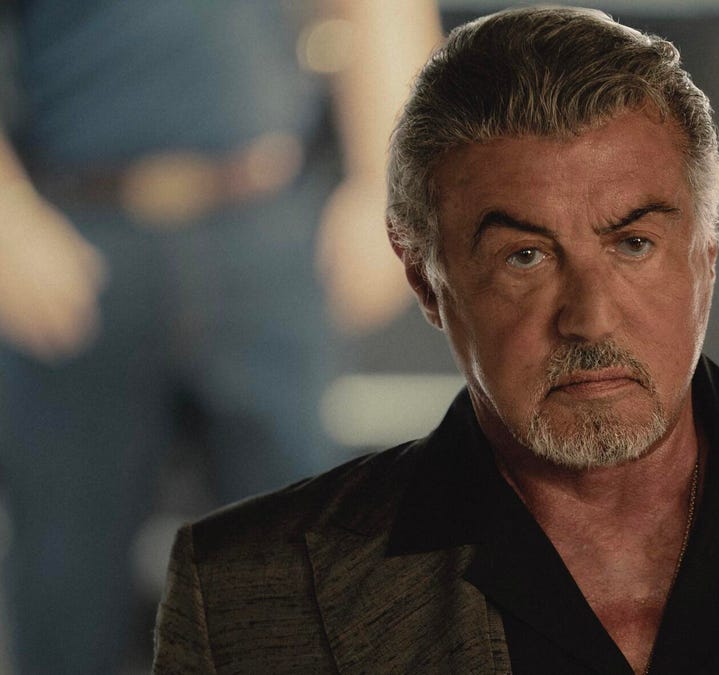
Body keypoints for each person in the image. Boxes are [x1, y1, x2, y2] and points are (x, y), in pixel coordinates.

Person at [153, 6, 719, 673]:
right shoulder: (251, 595)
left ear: (707, 253)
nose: (590, 317)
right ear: (426, 282)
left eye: (633, 243)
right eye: (525, 256)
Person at [0, 1, 440, 672]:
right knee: (66, 598)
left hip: (265, 225)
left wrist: (388, 182)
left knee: (301, 596)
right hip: (71, 242)